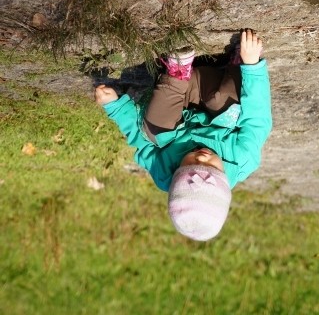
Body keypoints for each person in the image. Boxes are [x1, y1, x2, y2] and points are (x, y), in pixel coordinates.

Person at [95, 29, 272, 242]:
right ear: (225, 179)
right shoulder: (243, 158)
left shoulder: (163, 174)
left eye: (189, 163)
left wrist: (114, 107)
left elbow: (140, 140)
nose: (201, 157)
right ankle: (235, 67)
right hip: (216, 96)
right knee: (229, 105)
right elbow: (257, 118)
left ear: (175, 175)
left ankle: (177, 72)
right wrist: (251, 66)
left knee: (154, 131)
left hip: (177, 97)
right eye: (212, 167)